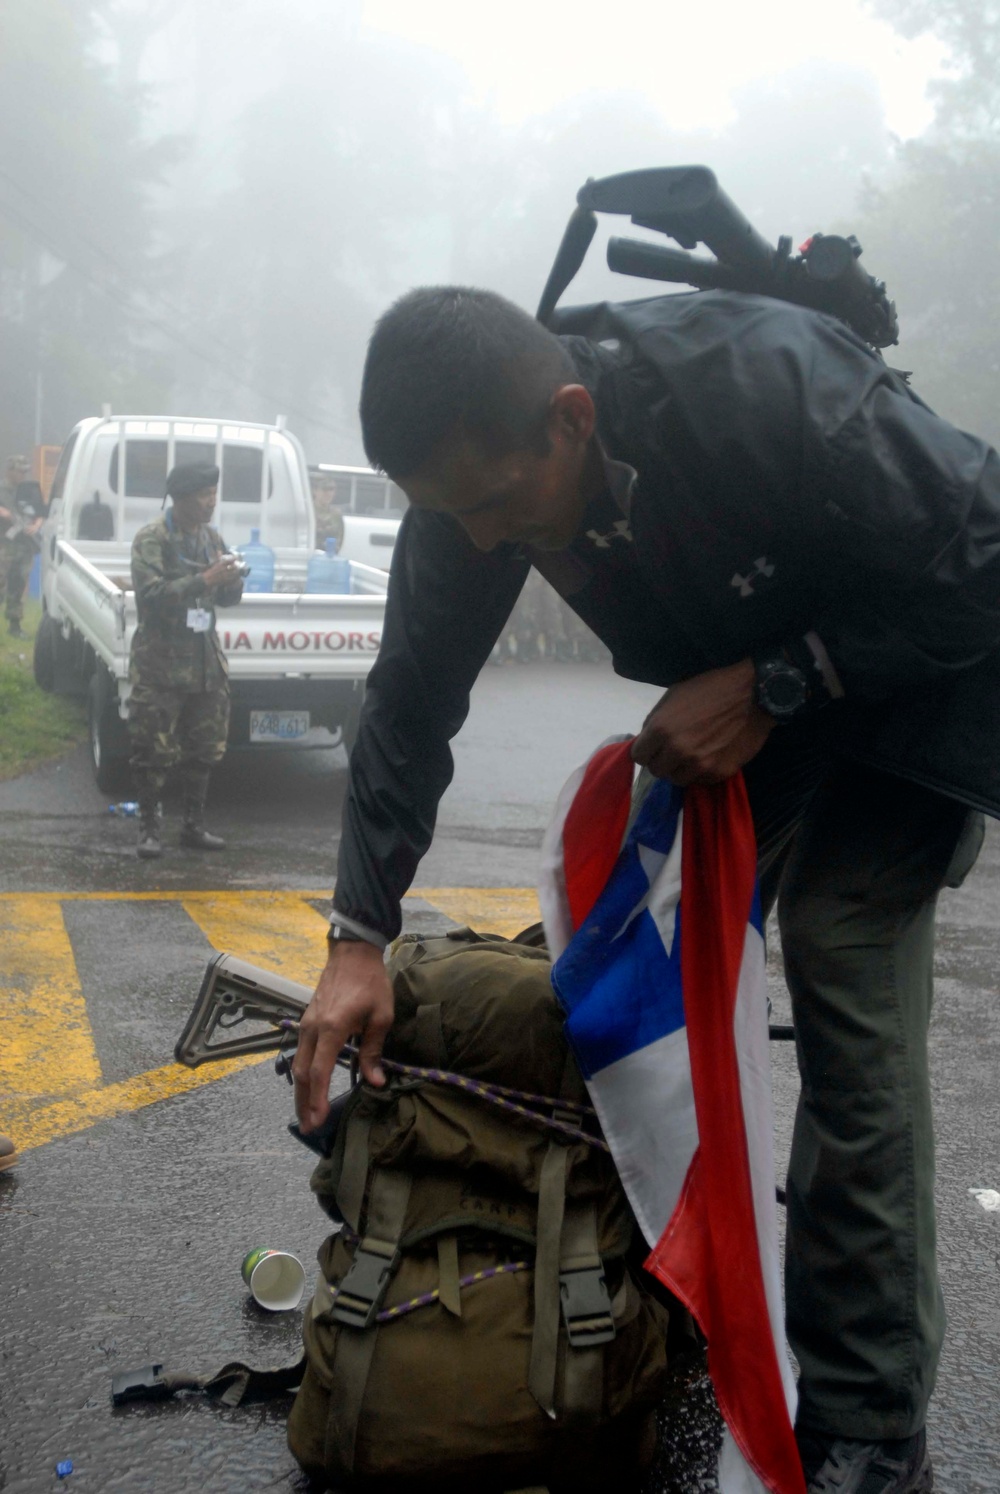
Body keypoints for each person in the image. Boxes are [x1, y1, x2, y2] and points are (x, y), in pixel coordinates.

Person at [291, 286, 1000, 1493]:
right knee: (635, 988)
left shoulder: (774, 385)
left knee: (843, 988)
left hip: (911, 704)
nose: (478, 542)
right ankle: (652, 1297)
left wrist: (780, 678)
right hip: (758, 723)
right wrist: (359, 936)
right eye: (450, 517)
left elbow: (985, 554)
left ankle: (871, 1424)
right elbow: (409, 701)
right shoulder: (476, 485)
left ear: (570, 418)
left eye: (498, 509)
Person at [129, 461, 244, 860]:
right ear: (180, 499)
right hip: (161, 663)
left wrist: (232, 580)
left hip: (204, 663)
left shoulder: (212, 538)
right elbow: (152, 596)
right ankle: (149, 829)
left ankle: (193, 826)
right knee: (153, 750)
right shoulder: (152, 539)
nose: (211, 503)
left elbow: (226, 599)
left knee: (204, 749)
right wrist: (205, 580)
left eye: (214, 495)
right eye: (203, 496)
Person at [0, 454, 33, 637]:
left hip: (23, 544)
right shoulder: (1, 489)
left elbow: (37, 509)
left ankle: (15, 626)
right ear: (10, 470)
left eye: (24, 471)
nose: (23, 475)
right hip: (3, 544)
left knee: (18, 584)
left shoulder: (27, 491)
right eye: (20, 471)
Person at [309, 469, 345, 552]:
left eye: (331, 489)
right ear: (315, 491)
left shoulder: (336, 515)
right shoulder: (307, 512)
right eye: (324, 489)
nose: (329, 493)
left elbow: (339, 541)